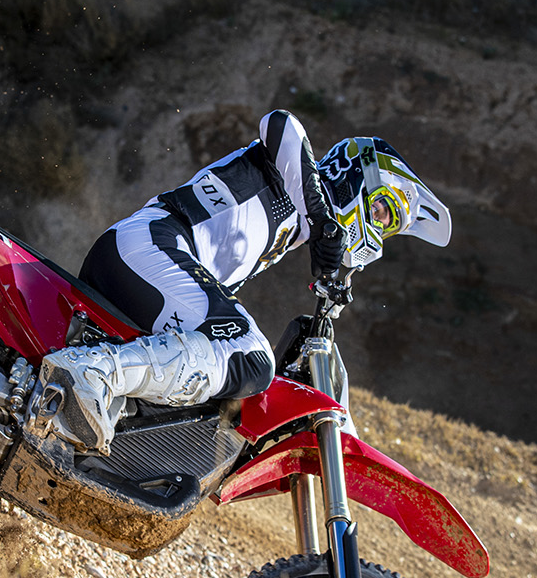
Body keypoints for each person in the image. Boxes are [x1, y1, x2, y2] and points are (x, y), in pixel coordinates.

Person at [30, 109, 452, 455]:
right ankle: (94, 373)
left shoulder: (292, 231)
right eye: (382, 213)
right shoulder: (291, 176)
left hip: (145, 266)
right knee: (248, 352)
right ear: (357, 176)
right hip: (151, 244)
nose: (378, 230)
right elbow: (282, 122)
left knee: (220, 374)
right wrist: (324, 224)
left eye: (388, 227)